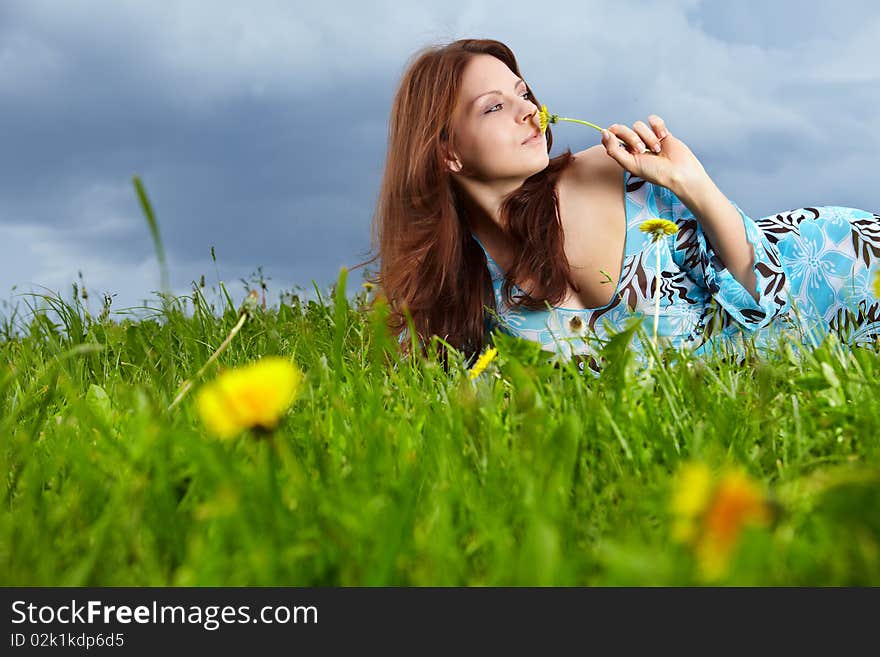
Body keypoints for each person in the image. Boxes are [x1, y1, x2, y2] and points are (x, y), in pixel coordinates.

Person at [352, 38, 880, 376]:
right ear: (447, 152)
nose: (529, 111)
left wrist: (693, 184)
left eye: (522, 92)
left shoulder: (607, 169)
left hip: (840, 268)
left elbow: (765, 287)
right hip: (782, 374)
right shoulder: (471, 294)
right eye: (495, 106)